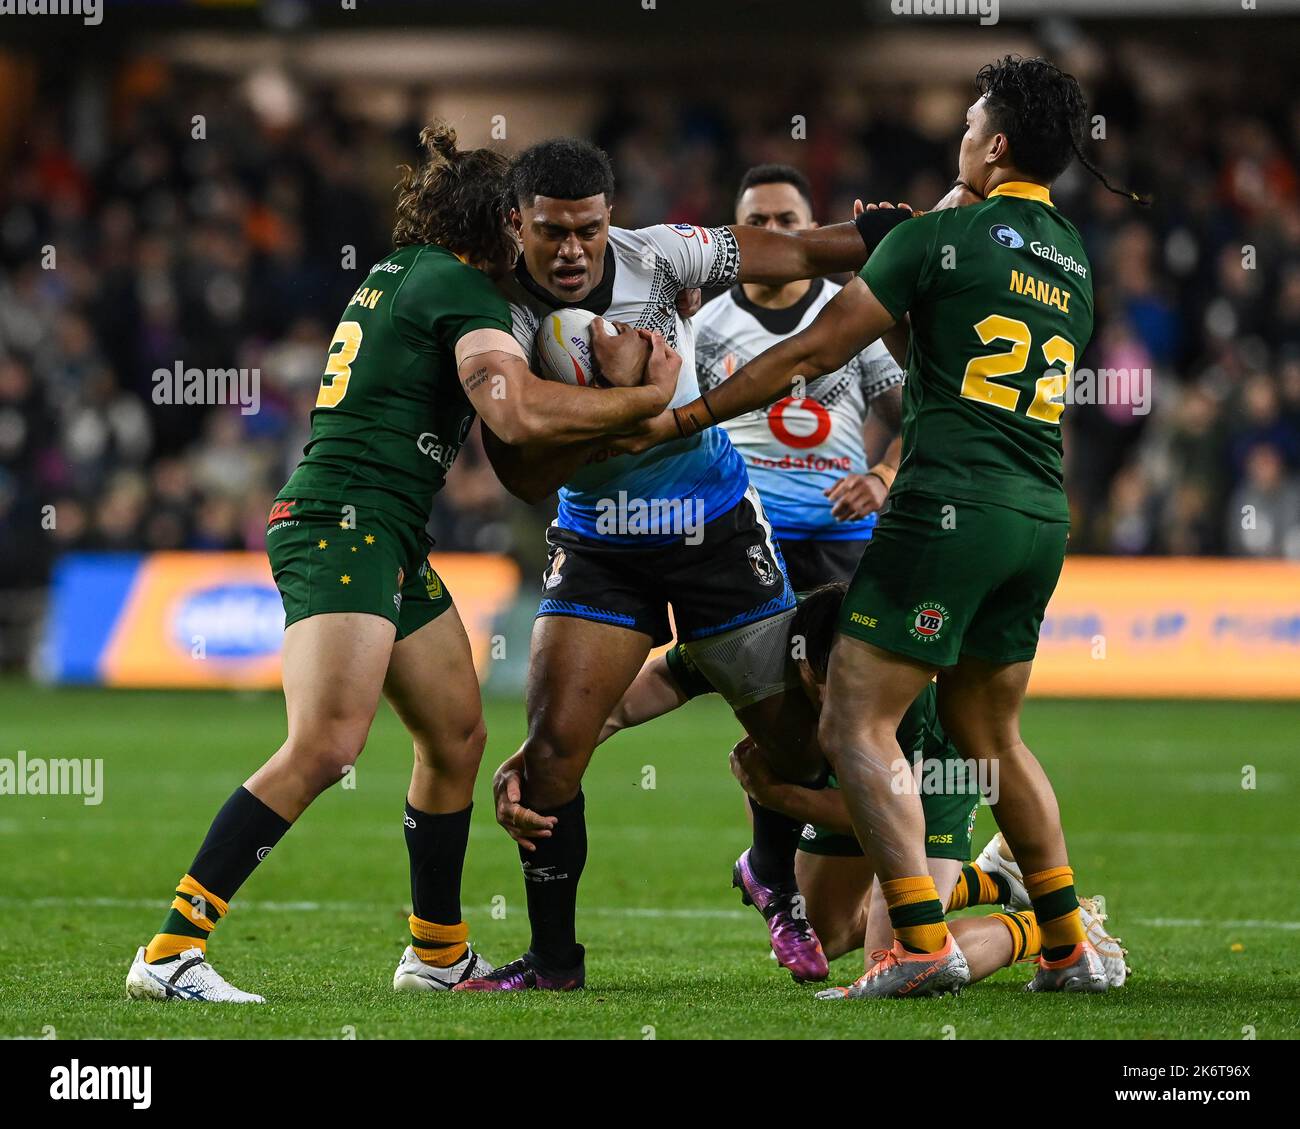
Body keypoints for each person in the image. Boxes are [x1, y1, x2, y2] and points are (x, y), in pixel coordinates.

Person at [614, 56, 1147, 997]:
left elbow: (815, 350)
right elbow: (937, 352)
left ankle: (911, 944)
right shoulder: (1068, 257)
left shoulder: (939, 235)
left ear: (996, 144)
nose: (961, 137)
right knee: (992, 736)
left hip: (951, 508)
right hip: (1038, 513)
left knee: (856, 712)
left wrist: (688, 417)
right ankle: (1065, 943)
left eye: (971, 124)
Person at [126, 123, 680, 1003]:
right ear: (499, 222)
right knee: (324, 744)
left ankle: (436, 950)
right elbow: (516, 416)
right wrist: (647, 399)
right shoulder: (463, 290)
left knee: (457, 733)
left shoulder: (402, 274)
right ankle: (170, 951)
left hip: (383, 530)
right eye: (526, 227)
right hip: (344, 526)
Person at [456, 137, 884, 991]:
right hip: (601, 541)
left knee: (797, 746)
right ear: (517, 224)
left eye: (586, 229)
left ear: (610, 216)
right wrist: (637, 399)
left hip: (715, 526)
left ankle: (772, 877)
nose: (572, 249)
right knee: (548, 764)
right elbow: (519, 462)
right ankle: (553, 963)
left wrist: (893, 235)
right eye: (551, 232)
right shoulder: (497, 311)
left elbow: (798, 249)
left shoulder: (661, 254)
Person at [493, 582, 1129, 994]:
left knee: (908, 959)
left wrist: (780, 796)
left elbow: (887, 817)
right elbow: (638, 695)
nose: (851, 703)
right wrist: (547, 753)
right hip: (846, 793)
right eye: (833, 686)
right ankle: (991, 878)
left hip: (933, 785)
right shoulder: (759, 652)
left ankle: (1050, 925)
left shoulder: (907, 707)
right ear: (800, 664)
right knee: (825, 938)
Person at [694, 163, 904, 591]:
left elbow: (915, 418)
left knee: (838, 660)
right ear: (736, 234)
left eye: (786, 221)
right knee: (735, 659)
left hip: (841, 542)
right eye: (757, 223)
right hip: (737, 537)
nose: (773, 233)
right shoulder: (702, 328)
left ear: (812, 229)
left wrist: (882, 476)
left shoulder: (858, 315)